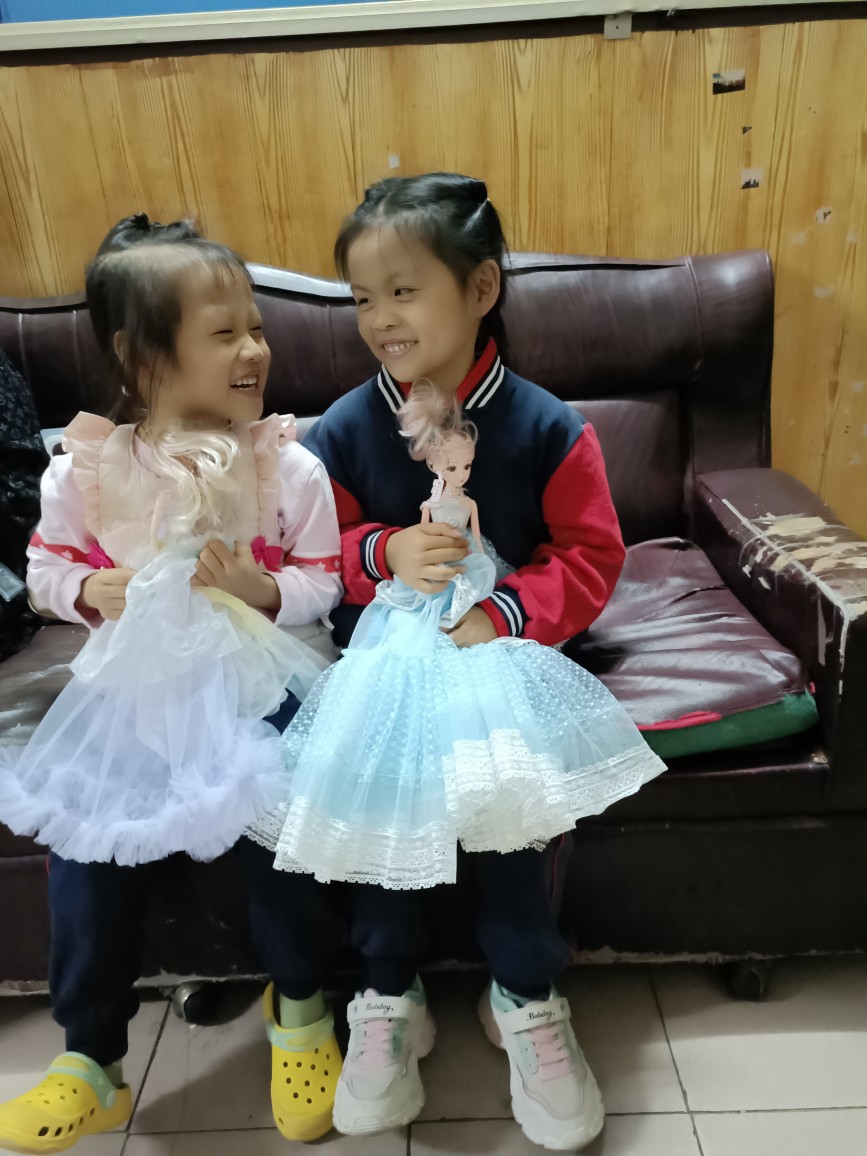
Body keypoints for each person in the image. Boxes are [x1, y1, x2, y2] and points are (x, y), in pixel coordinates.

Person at [245, 172, 654, 1152]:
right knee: (381, 794)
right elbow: (313, 554)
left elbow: (590, 554)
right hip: (384, 669)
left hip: (501, 657)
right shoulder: (341, 432)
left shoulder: (549, 426)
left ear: (479, 289)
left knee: (507, 805)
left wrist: (506, 610)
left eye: (404, 290)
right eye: (362, 298)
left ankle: (524, 993)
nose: (380, 319)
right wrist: (381, 551)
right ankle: (389, 994)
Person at [0, 220, 343, 1154]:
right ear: (140, 355)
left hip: (258, 679)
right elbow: (44, 571)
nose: (254, 349)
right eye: (224, 333)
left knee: (277, 829)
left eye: (256, 327)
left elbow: (324, 579)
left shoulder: (287, 463)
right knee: (87, 848)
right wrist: (88, 591)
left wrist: (263, 589)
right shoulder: (87, 470)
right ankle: (90, 1060)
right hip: (139, 689)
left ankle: (302, 1011)